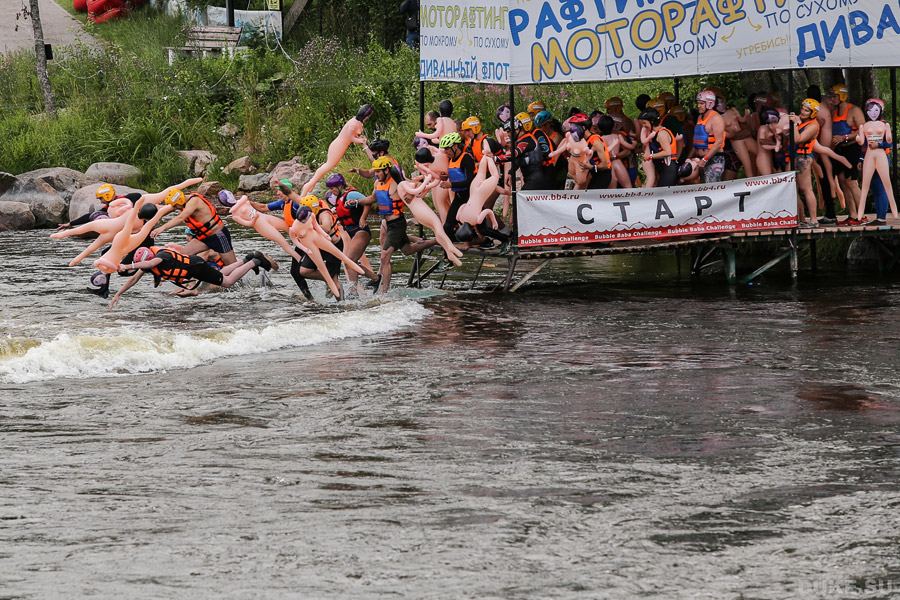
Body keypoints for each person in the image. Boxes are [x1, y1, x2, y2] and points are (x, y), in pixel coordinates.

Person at [354, 157, 436, 293]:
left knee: (384, 256)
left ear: (386, 170)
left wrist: (411, 196)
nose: (376, 174)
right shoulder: (377, 183)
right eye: (375, 172)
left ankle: (383, 292)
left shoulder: (397, 184)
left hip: (397, 224)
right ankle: (436, 241)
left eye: (378, 172)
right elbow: (372, 198)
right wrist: (357, 202)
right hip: (388, 223)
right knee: (407, 250)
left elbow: (415, 186)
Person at [108, 247, 277, 308]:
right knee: (223, 272)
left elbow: (150, 264)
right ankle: (246, 259)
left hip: (197, 267)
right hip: (195, 268)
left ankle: (255, 261)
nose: (144, 268)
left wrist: (127, 266)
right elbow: (133, 279)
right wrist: (118, 294)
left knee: (227, 282)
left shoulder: (162, 256)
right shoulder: (150, 265)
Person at [151, 187, 238, 266]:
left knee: (232, 264)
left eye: (175, 206)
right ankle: (194, 275)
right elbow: (166, 209)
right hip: (204, 238)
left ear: (180, 201)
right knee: (183, 255)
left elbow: (181, 218)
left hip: (218, 235)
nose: (175, 208)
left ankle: (241, 270)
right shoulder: (182, 203)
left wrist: (162, 228)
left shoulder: (194, 201)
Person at [300, 104, 373, 197]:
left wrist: (360, 139)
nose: (368, 118)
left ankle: (312, 183)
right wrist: (361, 141)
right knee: (328, 165)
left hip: (340, 146)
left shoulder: (357, 122)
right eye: (368, 116)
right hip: (338, 146)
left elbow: (353, 136)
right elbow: (350, 137)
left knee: (327, 166)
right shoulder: (354, 123)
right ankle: (309, 185)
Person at [327, 173, 378, 294]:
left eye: (333, 188)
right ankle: (376, 279)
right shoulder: (339, 199)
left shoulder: (351, 194)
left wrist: (363, 218)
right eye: (330, 188)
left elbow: (368, 202)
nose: (331, 191)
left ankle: (353, 292)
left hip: (361, 231)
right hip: (352, 232)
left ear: (340, 185)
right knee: (351, 261)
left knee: (349, 261)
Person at [825, 83, 865, 220]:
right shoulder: (833, 111)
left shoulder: (854, 110)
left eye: (834, 96)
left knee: (852, 182)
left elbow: (862, 130)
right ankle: (852, 215)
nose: (832, 99)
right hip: (839, 150)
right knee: (843, 181)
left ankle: (862, 215)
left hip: (852, 148)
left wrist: (845, 137)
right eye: (831, 96)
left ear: (842, 95)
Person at [854, 98, 898, 223]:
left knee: (881, 186)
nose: (872, 111)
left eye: (875, 109)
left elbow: (889, 143)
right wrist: (861, 159)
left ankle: (881, 217)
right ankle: (879, 215)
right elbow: (864, 145)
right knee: (873, 186)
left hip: (882, 157)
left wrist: (879, 145)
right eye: (869, 108)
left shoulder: (884, 125)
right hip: (869, 157)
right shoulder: (866, 126)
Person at [439, 132, 478, 240]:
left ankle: (500, 238)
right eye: (444, 149)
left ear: (455, 146)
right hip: (459, 196)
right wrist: (446, 177)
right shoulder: (451, 159)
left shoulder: (466, 159)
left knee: (480, 227)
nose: (446, 152)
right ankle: (454, 246)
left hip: (470, 196)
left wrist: (450, 184)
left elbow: (469, 181)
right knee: (447, 226)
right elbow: (458, 175)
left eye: (447, 148)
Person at [56, 184, 141, 231]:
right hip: (124, 226)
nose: (100, 201)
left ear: (107, 195)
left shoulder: (126, 198)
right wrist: (70, 223)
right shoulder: (108, 207)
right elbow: (90, 215)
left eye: (101, 198)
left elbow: (138, 195)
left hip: (135, 224)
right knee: (97, 214)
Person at [791, 98, 821, 227]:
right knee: (794, 189)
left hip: (804, 157)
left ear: (813, 113)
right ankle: (801, 218)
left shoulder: (813, 126)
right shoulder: (802, 121)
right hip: (796, 157)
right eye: (802, 109)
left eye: (806, 110)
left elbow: (798, 139)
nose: (802, 112)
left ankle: (814, 220)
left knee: (806, 189)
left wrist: (794, 124)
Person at [692, 90, 727, 182]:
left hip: (715, 159)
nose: (698, 106)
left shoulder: (716, 118)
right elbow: (697, 139)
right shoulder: (700, 117)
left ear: (710, 103)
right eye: (698, 103)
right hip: (701, 159)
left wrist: (704, 159)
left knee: (711, 186)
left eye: (701, 103)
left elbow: (719, 142)